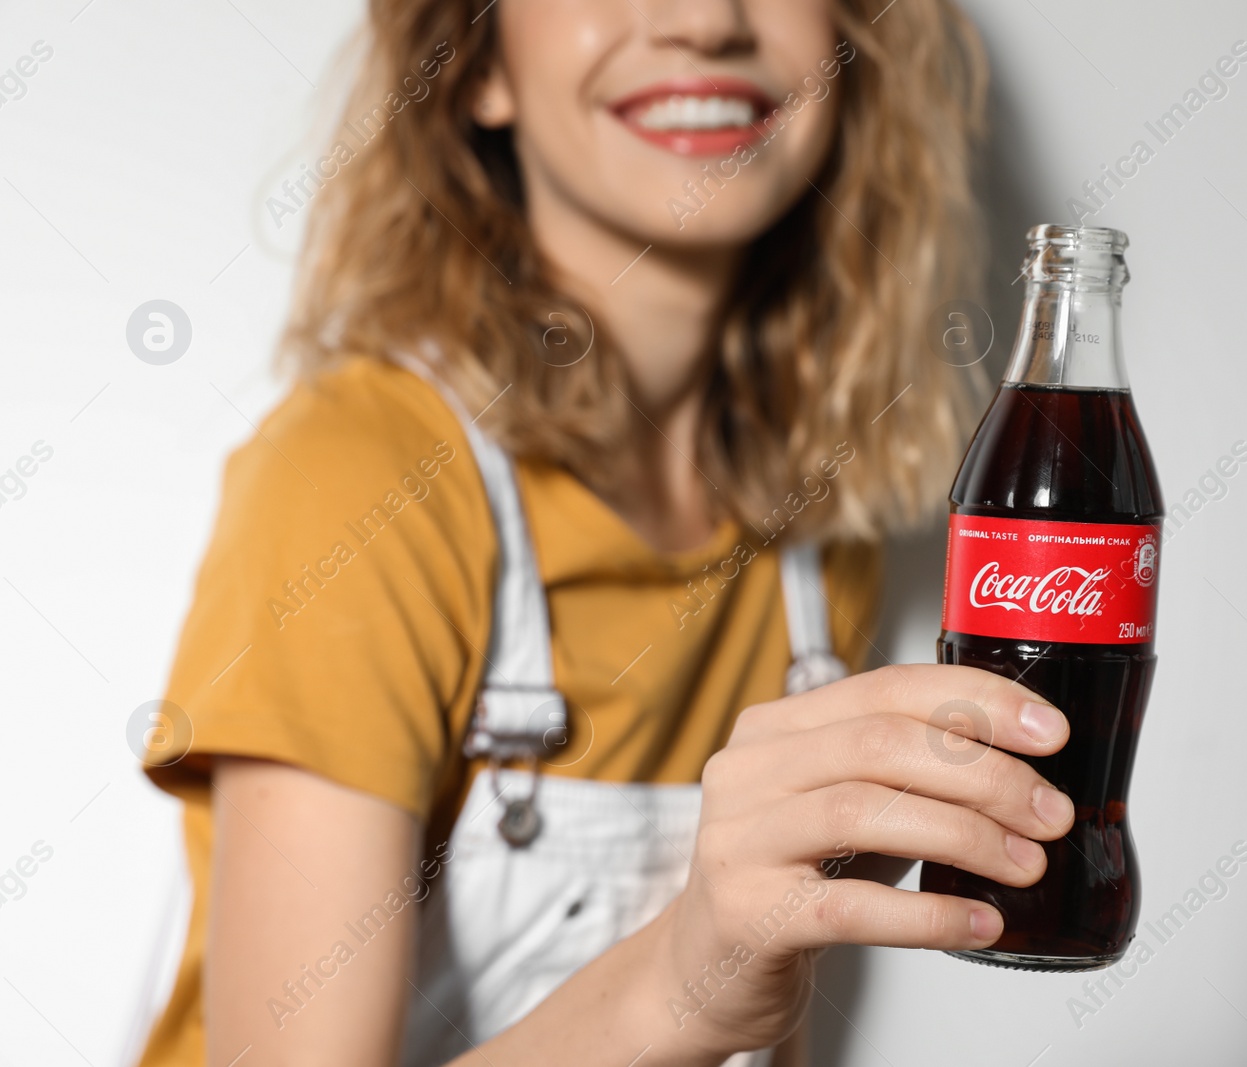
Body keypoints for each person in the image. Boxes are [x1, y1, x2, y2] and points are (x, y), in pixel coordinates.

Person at [137, 1, 1075, 1064]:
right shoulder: (357, 483)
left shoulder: (816, 536)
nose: (705, 19)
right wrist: (679, 982)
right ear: (474, 65)